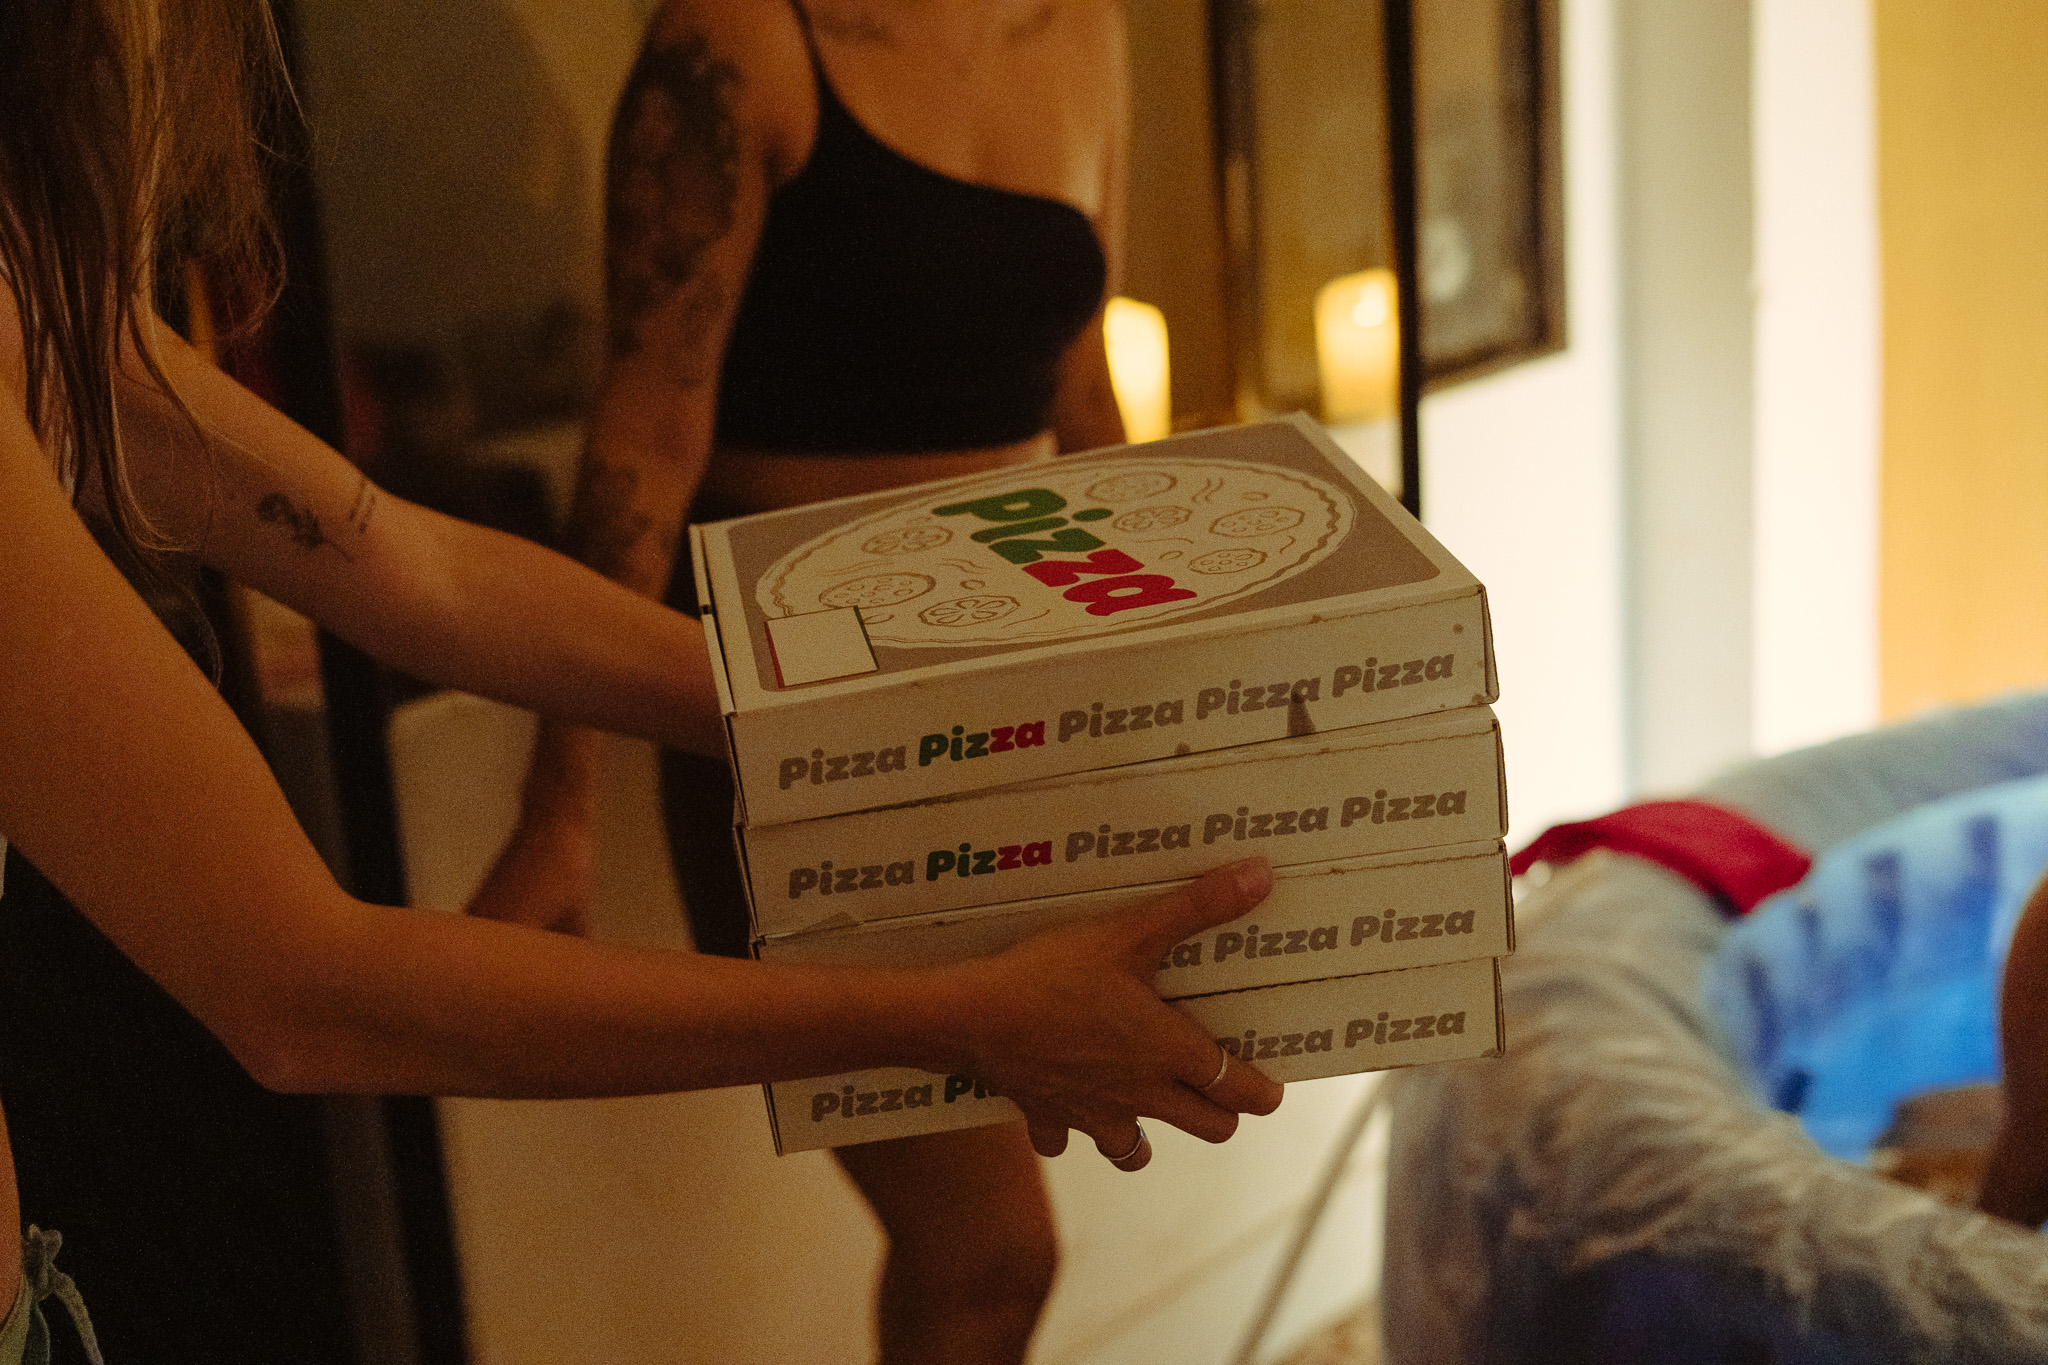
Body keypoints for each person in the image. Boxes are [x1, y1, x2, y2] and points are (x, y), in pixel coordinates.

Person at [0, 0, 1282, 1354]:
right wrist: (964, 1015)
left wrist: (903, 732)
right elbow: (305, 990)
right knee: (989, 1250)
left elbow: (419, 569)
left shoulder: (40, 298)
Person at [475, 2, 1138, 1359]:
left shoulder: (1082, 24)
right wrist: (560, 806)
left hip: (1013, 696)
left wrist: (1175, 692)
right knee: (990, 1248)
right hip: (799, 726)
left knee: (995, 1238)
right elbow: (645, 435)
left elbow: (1083, 398)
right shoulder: (740, 38)